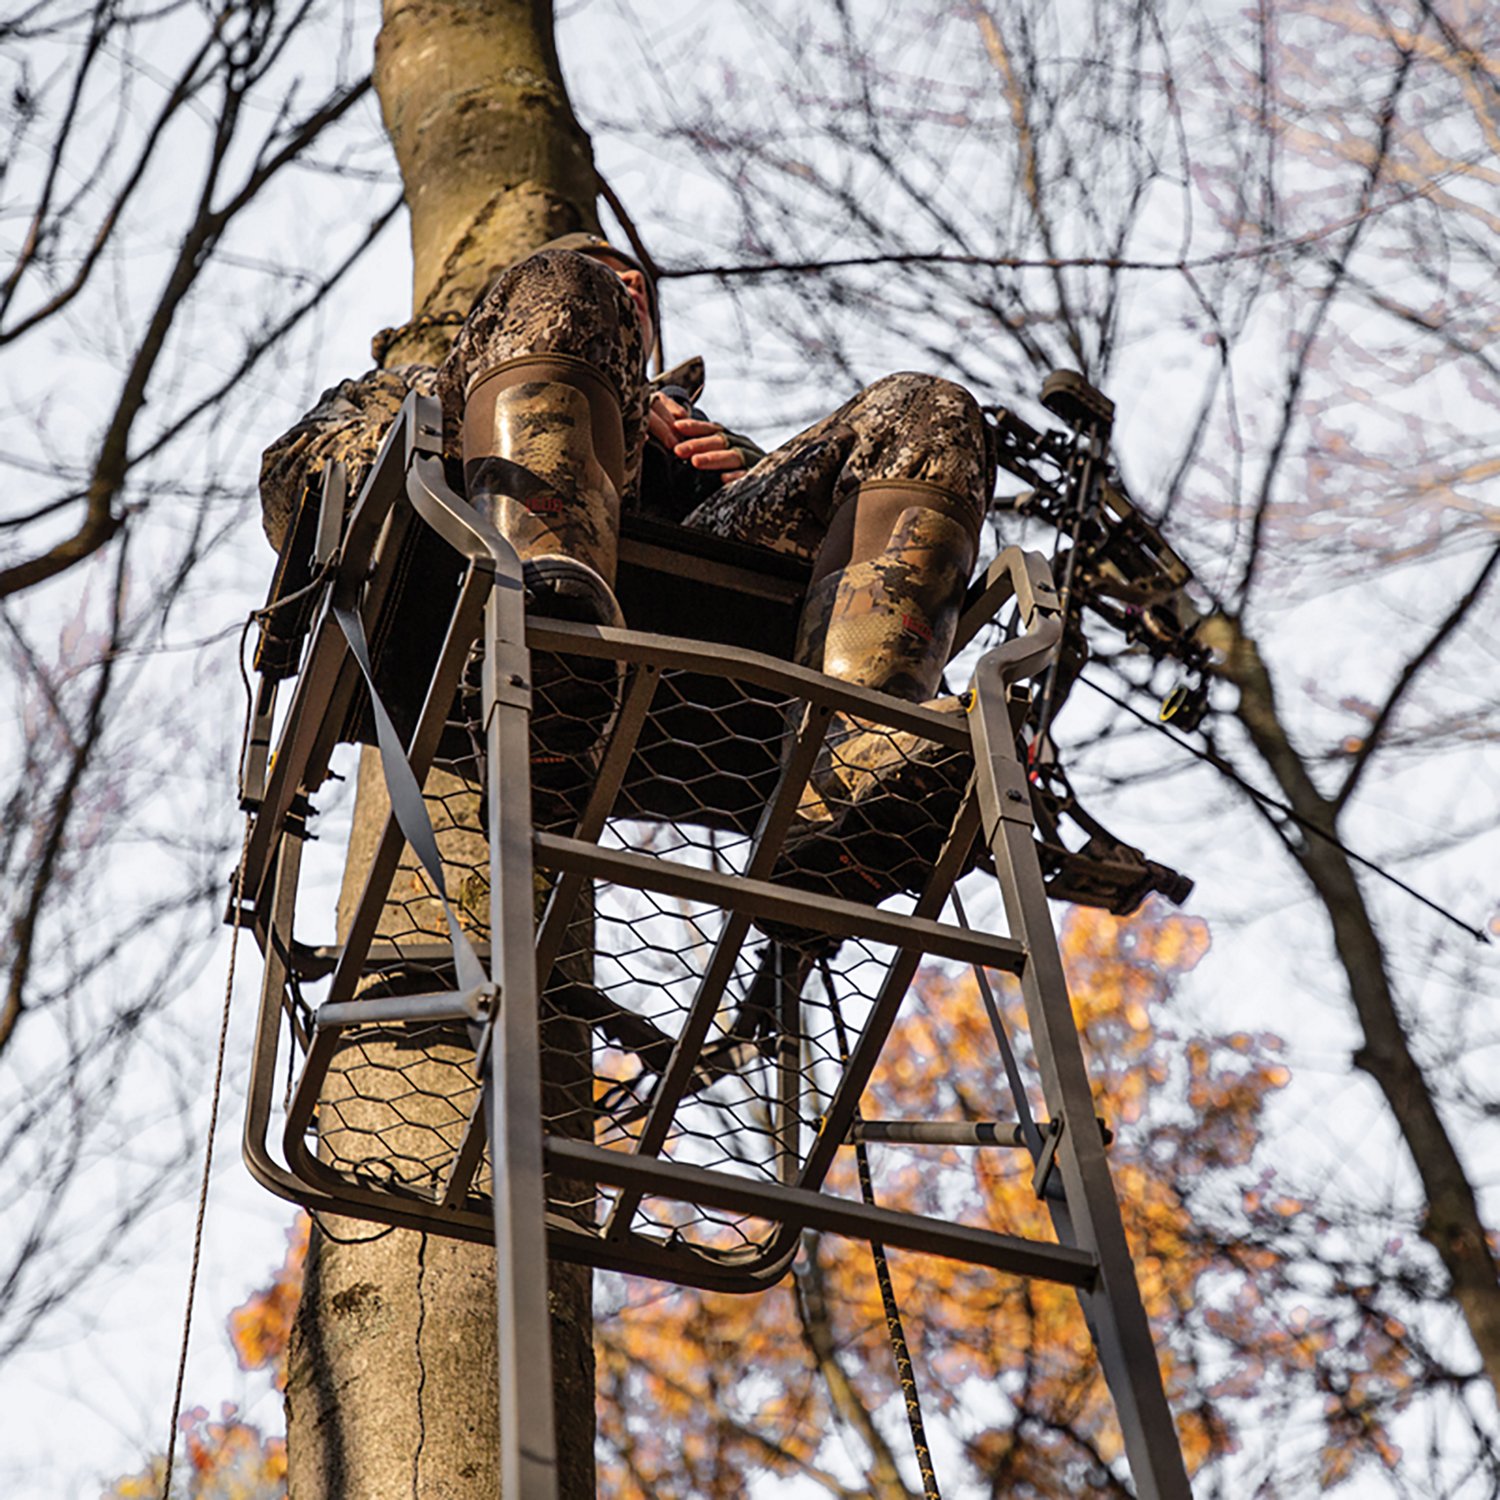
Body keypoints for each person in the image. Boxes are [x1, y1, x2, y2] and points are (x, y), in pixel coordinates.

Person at [260, 234, 994, 918]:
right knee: (564, 293)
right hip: (469, 596)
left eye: (636, 280)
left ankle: (853, 762)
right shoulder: (413, 392)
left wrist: (743, 472)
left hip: (721, 679)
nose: (635, 278)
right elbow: (301, 475)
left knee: (929, 413)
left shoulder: (709, 448)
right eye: (611, 271)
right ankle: (547, 639)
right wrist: (552, 418)